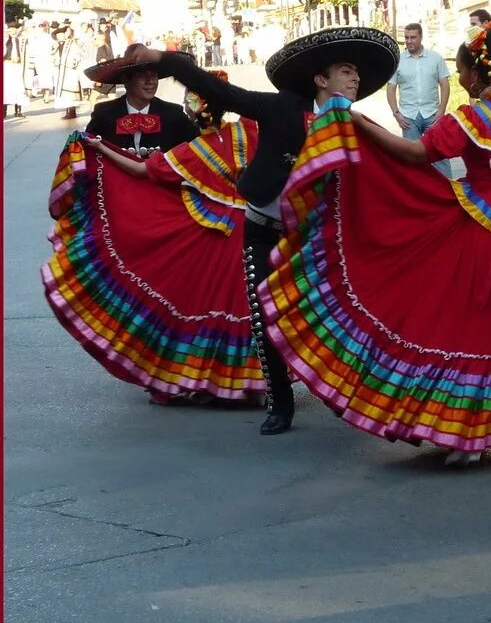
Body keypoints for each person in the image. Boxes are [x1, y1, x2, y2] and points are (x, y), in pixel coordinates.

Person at [259, 23, 491, 467]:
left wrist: (358, 122)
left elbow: (415, 154)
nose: (461, 81)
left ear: (474, 74)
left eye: (462, 71)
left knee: (473, 331)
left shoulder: (470, 118)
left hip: (485, 233)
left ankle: (468, 433)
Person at [118, 27, 401, 436]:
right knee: (264, 317)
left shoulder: (357, 126)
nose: (355, 79)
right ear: (321, 80)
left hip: (314, 241)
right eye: (345, 70)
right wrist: (163, 59)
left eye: (357, 72)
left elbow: (392, 174)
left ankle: (344, 395)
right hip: (263, 229)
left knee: (334, 318)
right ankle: (280, 405)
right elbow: (215, 91)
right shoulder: (282, 108)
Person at [44, 81, 265, 405]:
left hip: (203, 230)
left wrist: (102, 150)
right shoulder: (247, 133)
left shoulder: (192, 143)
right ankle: (248, 384)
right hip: (246, 227)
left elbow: (145, 169)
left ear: (195, 112)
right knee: (241, 307)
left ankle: (205, 381)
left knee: (195, 304)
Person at [83, 47, 199, 155]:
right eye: (142, 76)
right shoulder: (104, 114)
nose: (150, 81)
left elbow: (198, 146)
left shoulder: (173, 113)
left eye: (153, 75)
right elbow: (87, 152)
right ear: (126, 80)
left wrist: (201, 117)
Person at [385, 22, 452, 178]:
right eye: (406, 37)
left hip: (432, 114)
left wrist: (442, 110)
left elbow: (445, 84)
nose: (409, 41)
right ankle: (415, 192)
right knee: (410, 157)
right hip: (408, 116)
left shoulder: (435, 58)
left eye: (413, 37)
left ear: (421, 37)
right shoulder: (398, 60)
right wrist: (396, 113)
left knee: (439, 153)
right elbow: (390, 89)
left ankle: (448, 187)